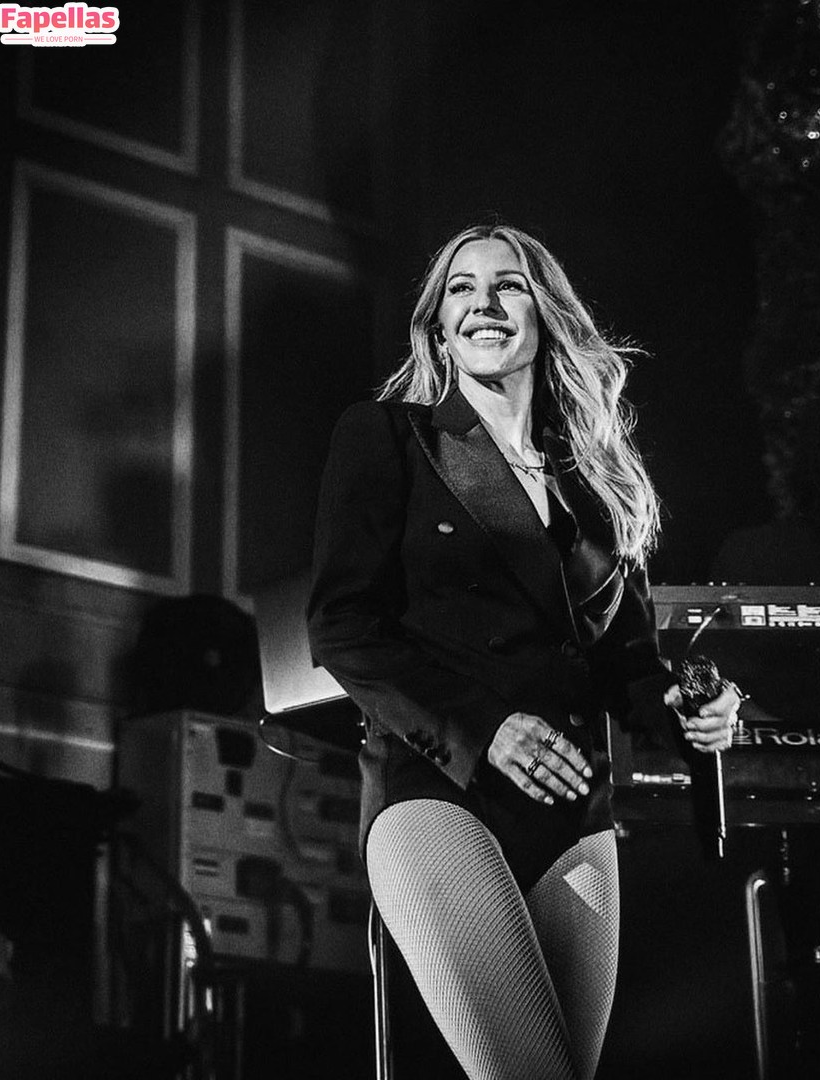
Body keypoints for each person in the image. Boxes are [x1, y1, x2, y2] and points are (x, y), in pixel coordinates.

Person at [307, 223, 740, 1080]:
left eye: (507, 285)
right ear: (437, 327)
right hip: (440, 786)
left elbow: (629, 667)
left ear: (544, 315)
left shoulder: (595, 484)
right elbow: (342, 626)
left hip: (572, 813)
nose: (484, 304)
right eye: (461, 289)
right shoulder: (387, 437)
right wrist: (485, 728)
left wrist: (691, 710)